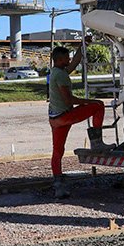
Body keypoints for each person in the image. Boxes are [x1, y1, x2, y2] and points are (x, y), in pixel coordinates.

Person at [47, 40, 109, 197]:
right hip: (64, 116)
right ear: (60, 60)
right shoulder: (61, 75)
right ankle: (97, 142)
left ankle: (58, 183)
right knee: (98, 106)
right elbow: (69, 100)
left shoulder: (56, 71)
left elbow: (74, 62)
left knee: (57, 150)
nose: (69, 60)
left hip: (55, 119)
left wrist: (82, 47)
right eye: (66, 58)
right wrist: (90, 101)